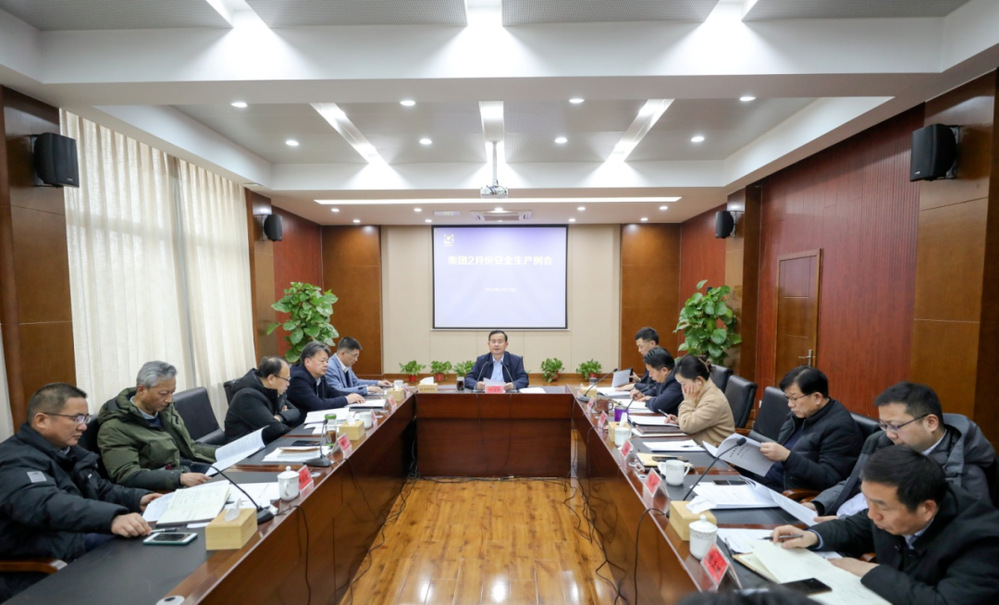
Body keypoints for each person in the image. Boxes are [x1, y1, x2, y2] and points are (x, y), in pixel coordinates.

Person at [772, 446, 999, 605]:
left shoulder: (983, 541)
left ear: (927, 508)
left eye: (881, 506)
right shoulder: (890, 503)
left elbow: (944, 602)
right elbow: (855, 527)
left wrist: (871, 571)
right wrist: (812, 536)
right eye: (868, 501)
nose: (872, 514)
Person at [0, 383, 159, 600]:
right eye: (76, 418)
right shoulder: (13, 460)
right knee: (144, 549)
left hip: (75, 537)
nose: (84, 426)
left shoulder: (67, 451)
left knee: (154, 534)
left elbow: (99, 487)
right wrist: (112, 518)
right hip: (43, 557)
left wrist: (138, 498)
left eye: (85, 418)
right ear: (41, 420)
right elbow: (46, 504)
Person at [806, 381, 994, 518]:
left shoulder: (965, 473)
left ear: (931, 423)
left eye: (895, 426)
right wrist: (819, 504)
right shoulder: (884, 442)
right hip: (837, 521)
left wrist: (845, 527)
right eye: (884, 425)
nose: (889, 434)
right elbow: (855, 481)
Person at [98, 361, 217, 490]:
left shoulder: (164, 409)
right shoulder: (115, 428)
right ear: (141, 390)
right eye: (164, 393)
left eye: (172, 393)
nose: (169, 399)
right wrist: (178, 478)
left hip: (186, 470)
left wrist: (223, 453)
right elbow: (127, 475)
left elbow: (190, 447)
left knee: (231, 473)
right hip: (164, 486)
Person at [756, 366, 861, 492]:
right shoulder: (800, 413)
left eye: (794, 398)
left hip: (785, 491)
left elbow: (830, 479)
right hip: (764, 477)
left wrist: (787, 457)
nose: (790, 404)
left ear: (817, 397)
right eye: (788, 398)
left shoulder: (840, 428)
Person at [224, 356, 302, 442]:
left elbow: (295, 412)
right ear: (271, 378)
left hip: (266, 442)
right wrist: (283, 419)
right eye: (286, 379)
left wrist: (279, 417)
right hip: (246, 448)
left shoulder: (273, 391)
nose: (288, 384)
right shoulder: (247, 396)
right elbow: (275, 429)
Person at [664, 355, 734, 447]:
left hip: (714, 452)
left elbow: (686, 426)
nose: (682, 388)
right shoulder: (701, 392)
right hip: (699, 444)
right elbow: (693, 421)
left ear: (699, 380)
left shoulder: (713, 400)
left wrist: (688, 401)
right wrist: (679, 420)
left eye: (683, 383)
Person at [287, 341, 365, 412]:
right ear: (307, 362)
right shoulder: (298, 379)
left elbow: (332, 392)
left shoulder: (319, 375)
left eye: (327, 361)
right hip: (300, 422)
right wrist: (346, 399)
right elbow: (317, 405)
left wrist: (353, 395)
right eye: (322, 361)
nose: (326, 364)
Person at [464, 330, 529, 391]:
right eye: (493, 342)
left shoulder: (516, 360)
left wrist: (513, 385)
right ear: (489, 344)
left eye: (500, 342)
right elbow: (468, 379)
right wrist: (477, 385)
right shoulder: (482, 360)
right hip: (486, 395)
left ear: (506, 344)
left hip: (508, 395)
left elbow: (524, 379)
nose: (496, 345)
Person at [325, 336, 392, 396]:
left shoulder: (346, 364)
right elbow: (338, 391)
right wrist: (366, 389)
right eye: (354, 355)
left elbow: (355, 382)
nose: (356, 359)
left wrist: (378, 383)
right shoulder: (330, 367)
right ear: (343, 353)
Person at [634, 346, 683, 416]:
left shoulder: (676, 381)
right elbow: (655, 389)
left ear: (664, 370)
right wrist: (642, 395)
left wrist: (649, 400)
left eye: (651, 371)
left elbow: (657, 406)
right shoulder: (664, 378)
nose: (650, 375)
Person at [619, 326, 660, 394]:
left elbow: (657, 387)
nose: (639, 350)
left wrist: (635, 385)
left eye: (641, 347)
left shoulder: (660, 360)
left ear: (652, 344)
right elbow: (649, 383)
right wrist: (639, 380)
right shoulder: (652, 358)